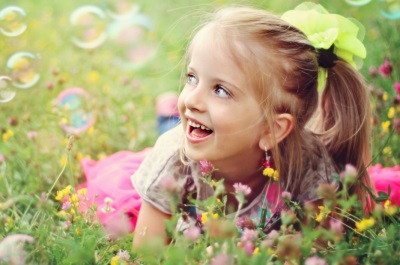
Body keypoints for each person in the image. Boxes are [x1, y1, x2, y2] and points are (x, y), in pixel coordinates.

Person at [130, 3, 375, 248]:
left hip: (204, 131)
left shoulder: (307, 165)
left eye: (220, 90)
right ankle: (165, 115)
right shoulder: (172, 162)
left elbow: (319, 251)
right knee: (172, 128)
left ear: (272, 130)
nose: (192, 99)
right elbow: (145, 255)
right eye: (192, 78)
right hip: (192, 135)